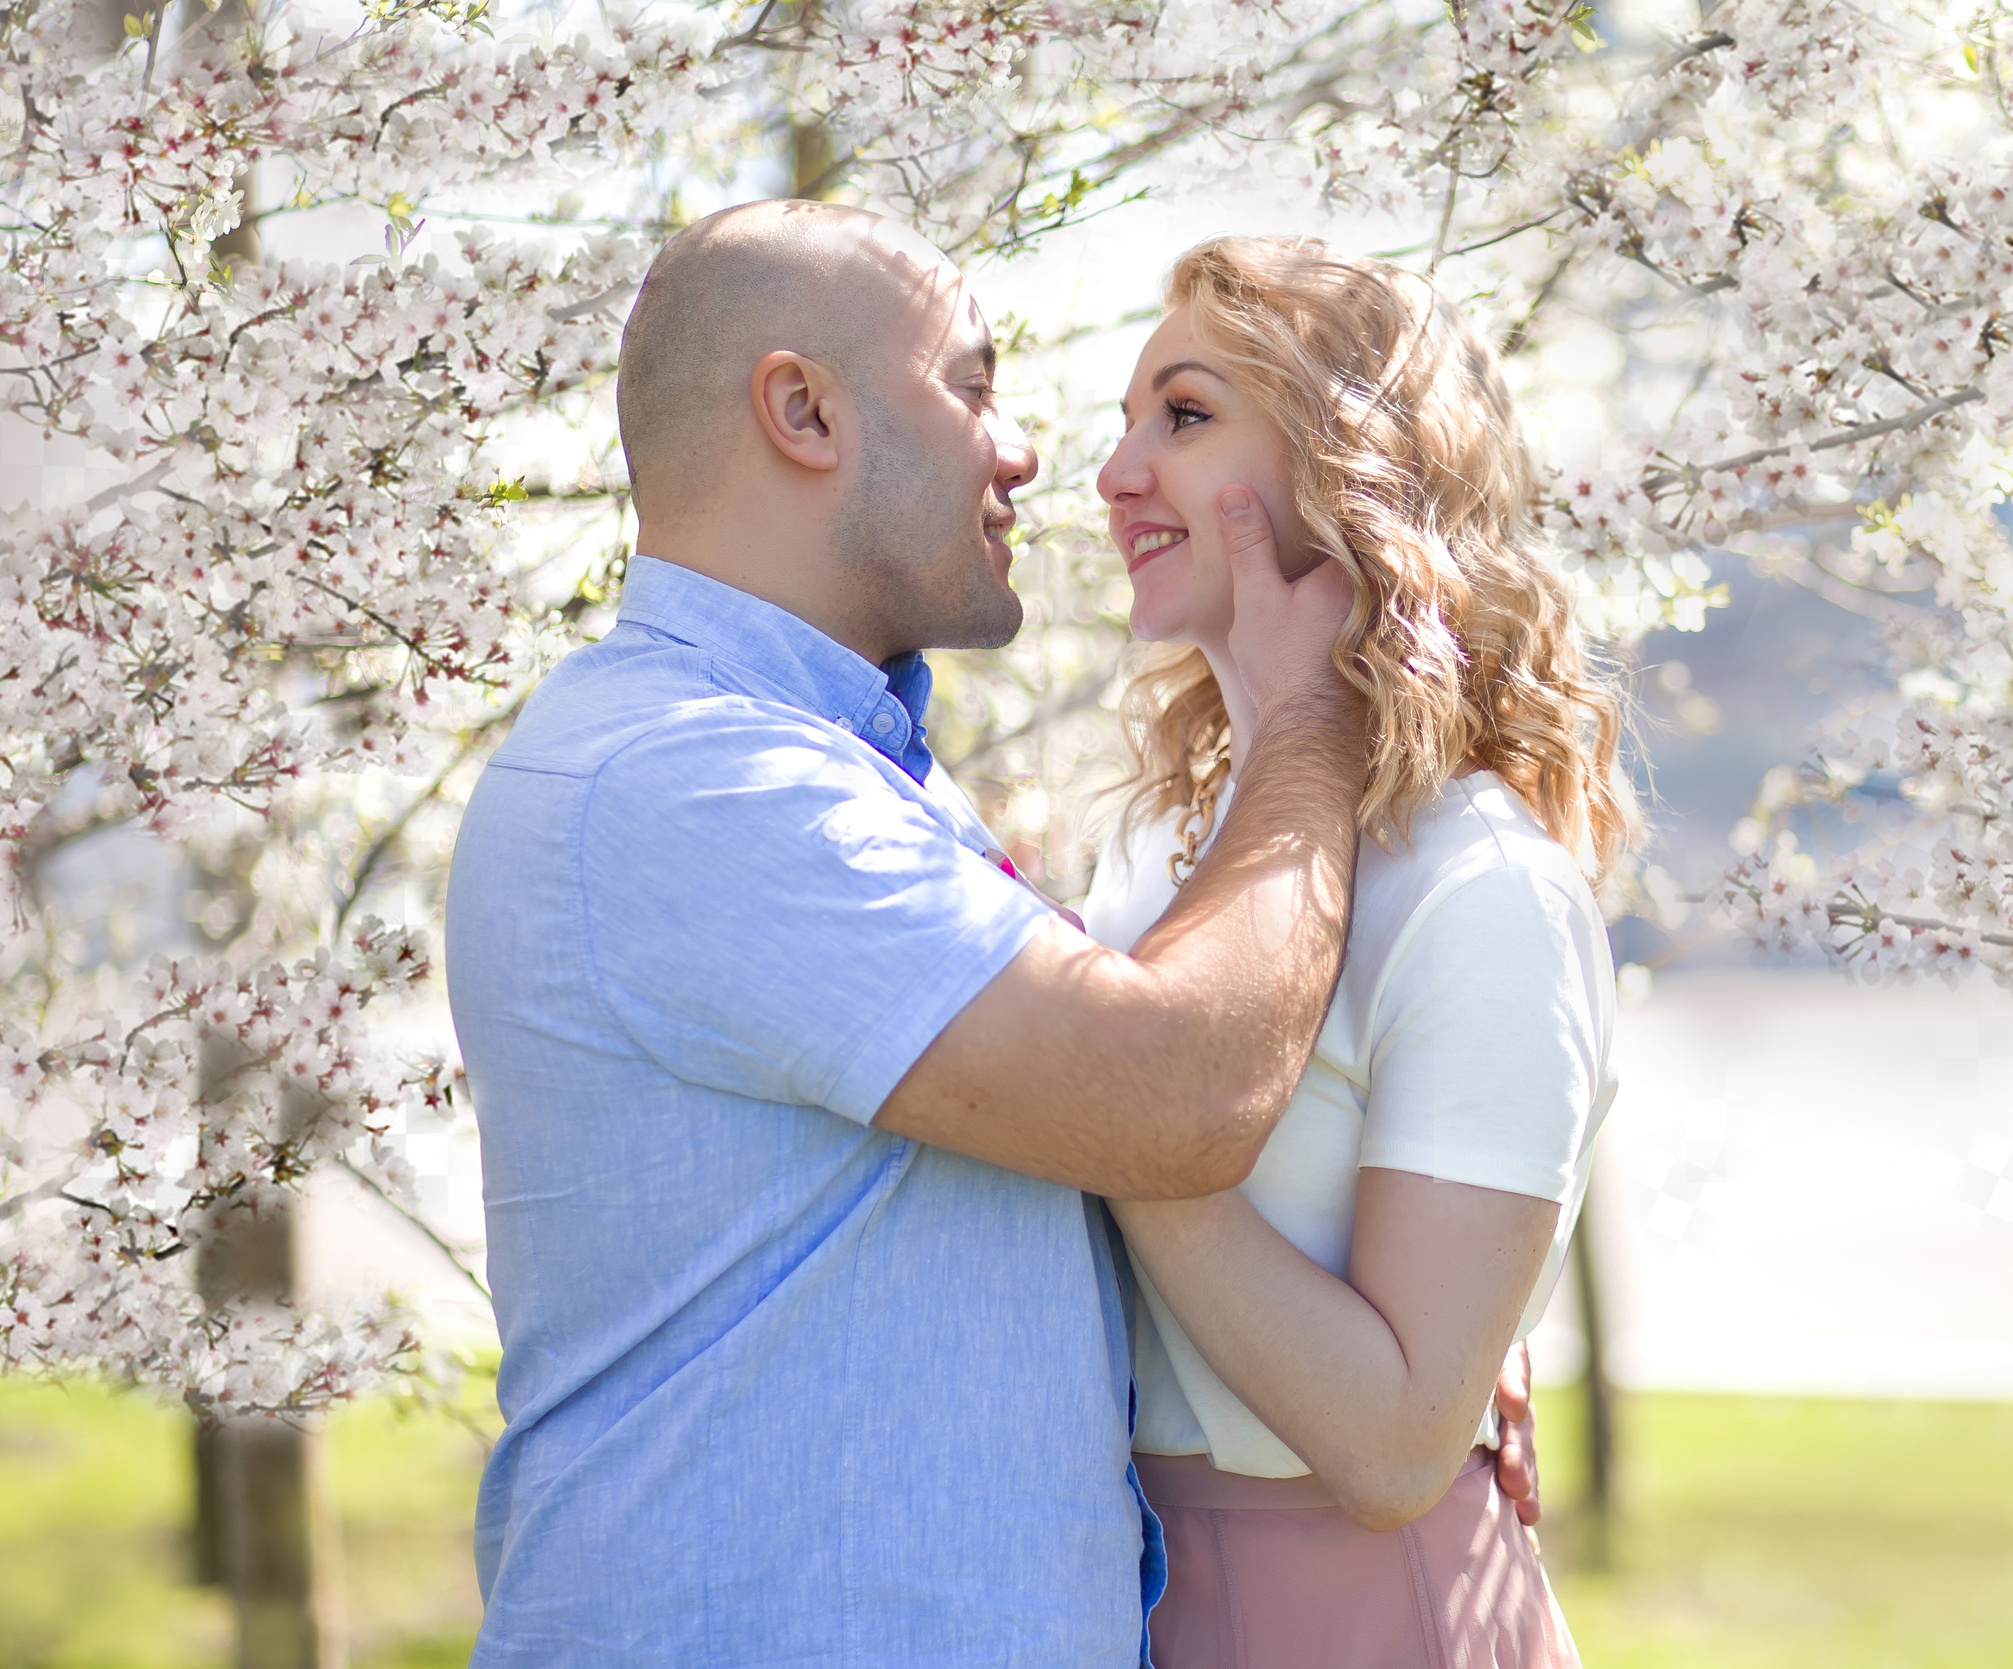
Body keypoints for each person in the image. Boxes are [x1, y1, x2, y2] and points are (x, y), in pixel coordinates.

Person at [443, 201, 1378, 1666]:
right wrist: (1316, 716)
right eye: (972, 383)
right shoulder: (705, 781)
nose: (1024, 451)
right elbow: (1177, 1092)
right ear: (803, 410)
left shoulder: (827, 766)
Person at [1083, 236, 1633, 1667]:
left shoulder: (1477, 888)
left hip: (1368, 1618)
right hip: (1125, 1591)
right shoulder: (1149, 860)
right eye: (1128, 419)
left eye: (1184, 416)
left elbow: (1396, 1444)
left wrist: (1110, 1111)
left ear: (1345, 467)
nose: (1116, 472)